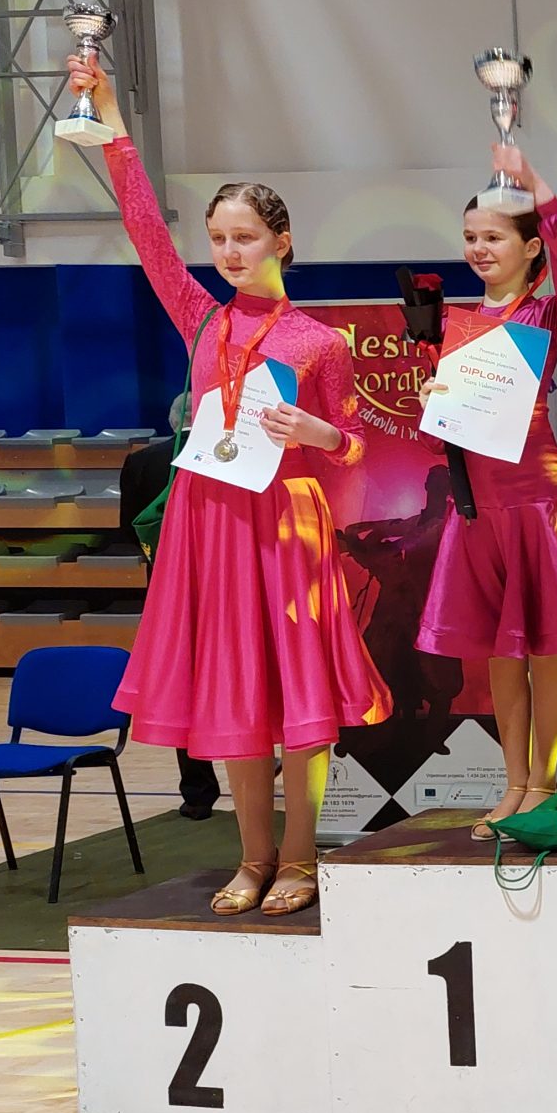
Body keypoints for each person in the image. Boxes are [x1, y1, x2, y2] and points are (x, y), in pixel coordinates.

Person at [66, 50, 388, 917]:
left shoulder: (319, 341)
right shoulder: (200, 316)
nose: (229, 252)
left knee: (298, 702)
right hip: (210, 525)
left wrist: (322, 434)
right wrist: (112, 122)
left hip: (288, 528)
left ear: (282, 241)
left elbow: (357, 445)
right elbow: (144, 230)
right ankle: (251, 857)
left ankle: (301, 857)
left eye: (244, 237)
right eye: (218, 239)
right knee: (236, 695)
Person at [417, 148, 557, 838]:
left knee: (545, 649)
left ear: (531, 248)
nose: (479, 249)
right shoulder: (454, 324)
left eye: (494, 236)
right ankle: (511, 783)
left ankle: (544, 782)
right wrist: (433, 405)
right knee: (499, 654)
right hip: (476, 504)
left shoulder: (546, 313)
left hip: (535, 497)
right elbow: (446, 434)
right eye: (470, 237)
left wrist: (537, 186)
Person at [116, 391, 221, 819]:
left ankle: (197, 792)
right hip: (225, 583)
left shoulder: (141, 462)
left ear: (172, 419)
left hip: (167, 588)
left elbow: (129, 530)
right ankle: (257, 759)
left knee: (184, 682)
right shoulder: (229, 455)